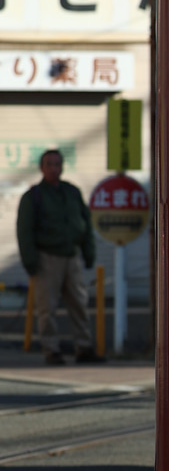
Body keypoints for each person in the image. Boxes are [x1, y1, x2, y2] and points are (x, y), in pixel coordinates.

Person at [17, 149, 98, 365]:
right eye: (49, 164)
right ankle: (51, 350)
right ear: (42, 168)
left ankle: (84, 348)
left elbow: (85, 223)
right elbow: (24, 230)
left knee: (79, 304)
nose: (54, 168)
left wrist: (89, 251)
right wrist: (30, 260)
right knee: (47, 308)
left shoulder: (71, 192)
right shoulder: (33, 196)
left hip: (71, 256)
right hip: (46, 258)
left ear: (62, 167)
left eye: (57, 164)